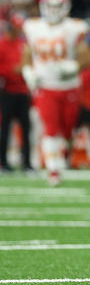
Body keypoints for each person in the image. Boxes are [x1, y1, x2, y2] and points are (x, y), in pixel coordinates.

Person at [21, 0, 90, 186]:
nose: (53, 10)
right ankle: (53, 170)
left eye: (57, 6)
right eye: (50, 6)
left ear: (65, 7)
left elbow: (86, 55)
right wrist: (28, 71)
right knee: (51, 129)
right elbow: (27, 53)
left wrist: (74, 67)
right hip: (46, 86)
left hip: (69, 87)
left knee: (68, 129)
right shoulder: (33, 26)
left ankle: (60, 157)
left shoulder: (74, 27)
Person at [0, 15, 33, 173]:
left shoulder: (23, 44)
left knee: (26, 128)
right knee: (5, 128)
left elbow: (31, 64)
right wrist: (12, 70)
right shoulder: (2, 45)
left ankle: (27, 162)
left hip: (23, 92)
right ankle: (3, 162)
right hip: (8, 92)